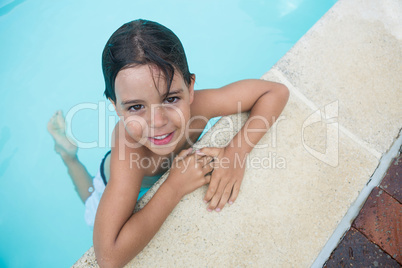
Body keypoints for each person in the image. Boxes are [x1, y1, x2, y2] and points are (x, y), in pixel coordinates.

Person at [79, 19, 289, 267]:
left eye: (170, 98)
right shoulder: (129, 149)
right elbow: (108, 258)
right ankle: (69, 157)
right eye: (136, 107)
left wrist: (235, 153)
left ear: (190, 88)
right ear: (115, 107)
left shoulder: (201, 105)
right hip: (111, 181)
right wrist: (174, 186)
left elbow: (275, 92)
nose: (157, 121)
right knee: (89, 200)